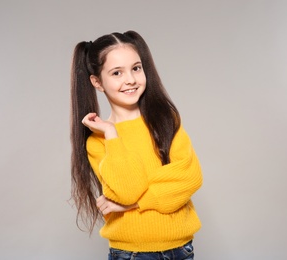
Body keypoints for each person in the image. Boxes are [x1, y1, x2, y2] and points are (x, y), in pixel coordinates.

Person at [70, 30, 203, 260]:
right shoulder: (99, 141)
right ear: (97, 82)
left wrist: (133, 205)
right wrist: (111, 132)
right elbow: (127, 191)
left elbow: (190, 177)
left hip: (182, 248)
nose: (130, 79)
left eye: (136, 68)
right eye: (116, 72)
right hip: (132, 253)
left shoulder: (166, 121)